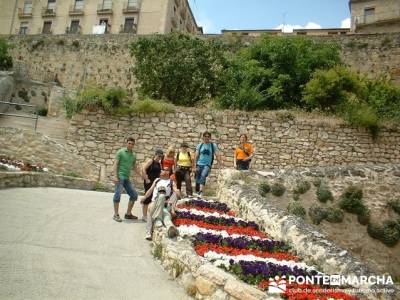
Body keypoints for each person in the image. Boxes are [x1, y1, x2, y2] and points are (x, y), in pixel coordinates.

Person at [141, 167, 180, 240]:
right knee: (162, 196)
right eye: (162, 169)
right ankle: (159, 221)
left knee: (166, 214)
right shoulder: (157, 180)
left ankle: (170, 227)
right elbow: (150, 190)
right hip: (155, 203)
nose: (161, 170)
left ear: (168, 172)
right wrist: (144, 197)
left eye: (164, 169)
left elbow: (175, 190)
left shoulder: (171, 182)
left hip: (165, 206)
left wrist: (177, 192)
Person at [112, 137, 141, 222]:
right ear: (126, 143)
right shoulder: (120, 152)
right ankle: (116, 214)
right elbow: (115, 164)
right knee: (117, 195)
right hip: (119, 176)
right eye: (129, 143)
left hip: (127, 178)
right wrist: (115, 176)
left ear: (134, 145)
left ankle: (128, 214)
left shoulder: (133, 155)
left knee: (134, 195)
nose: (130, 145)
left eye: (132, 144)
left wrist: (142, 175)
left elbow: (134, 167)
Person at [194, 131, 223, 197]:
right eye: (205, 136)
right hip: (199, 164)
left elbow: (217, 155)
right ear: (203, 137)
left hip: (207, 164)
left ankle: (201, 191)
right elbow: (196, 156)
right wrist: (194, 166)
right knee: (197, 176)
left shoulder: (213, 145)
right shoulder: (200, 145)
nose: (207, 138)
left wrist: (220, 163)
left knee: (203, 175)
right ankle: (197, 191)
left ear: (210, 137)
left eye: (208, 136)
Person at [142, 149, 164, 221]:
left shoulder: (159, 164)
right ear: (155, 154)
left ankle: (150, 214)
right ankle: (144, 216)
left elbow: (159, 174)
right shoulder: (151, 161)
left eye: (161, 156)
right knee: (147, 198)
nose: (159, 157)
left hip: (155, 183)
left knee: (153, 198)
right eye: (158, 156)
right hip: (148, 182)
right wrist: (146, 178)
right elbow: (144, 169)